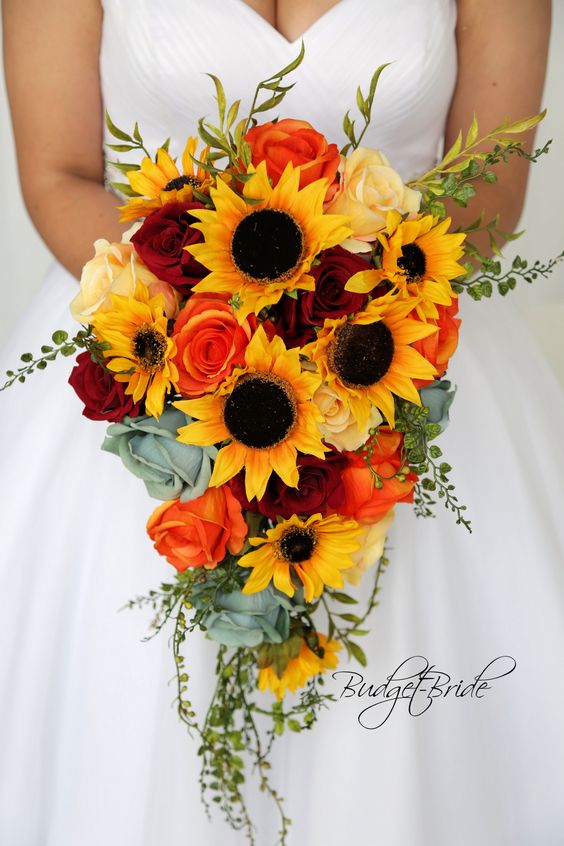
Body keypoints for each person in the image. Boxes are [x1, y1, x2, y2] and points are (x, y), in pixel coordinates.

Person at [1, 1, 563, 845]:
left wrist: (342, 337)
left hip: (399, 352)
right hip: (152, 346)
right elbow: (59, 172)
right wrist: (221, 342)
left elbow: (493, 185)